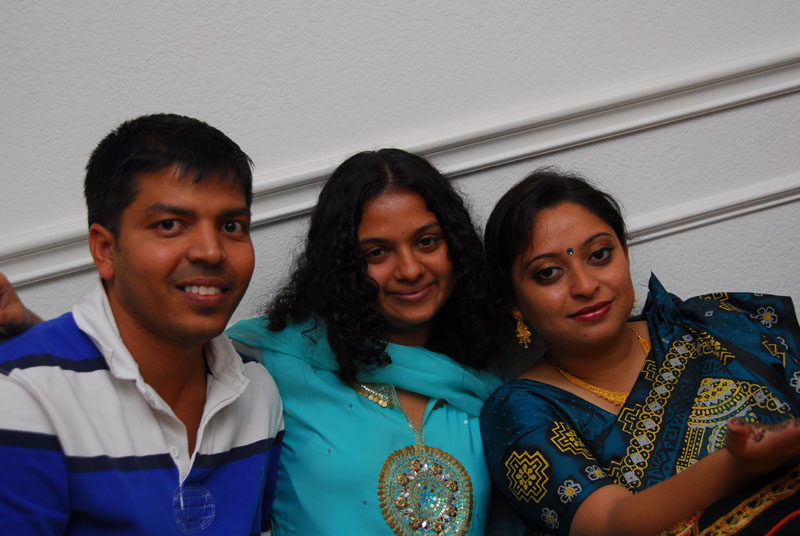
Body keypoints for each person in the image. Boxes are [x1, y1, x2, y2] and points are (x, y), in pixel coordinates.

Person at [0, 114, 283, 535]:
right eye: (170, 225)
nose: (211, 251)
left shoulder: (256, 390)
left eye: (231, 226)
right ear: (105, 249)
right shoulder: (23, 394)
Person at [480, 167, 800, 535]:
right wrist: (735, 464)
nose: (585, 285)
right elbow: (610, 524)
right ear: (513, 300)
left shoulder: (720, 324)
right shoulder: (521, 411)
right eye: (549, 272)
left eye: (600, 254)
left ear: (625, 254)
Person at [226, 148, 507, 535]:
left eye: (427, 242)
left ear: (455, 247)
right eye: (377, 252)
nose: (410, 269)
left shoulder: (482, 378)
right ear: (342, 265)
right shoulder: (272, 363)